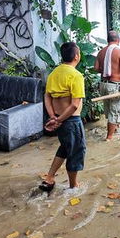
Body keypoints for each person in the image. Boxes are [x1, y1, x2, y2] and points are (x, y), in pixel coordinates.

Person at [39, 42, 86, 193]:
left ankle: (49, 177)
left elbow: (47, 96)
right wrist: (59, 120)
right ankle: (73, 186)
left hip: (58, 118)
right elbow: (73, 105)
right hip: (70, 121)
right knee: (77, 151)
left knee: (65, 147)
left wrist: (53, 116)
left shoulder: (54, 73)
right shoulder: (76, 75)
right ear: (77, 56)